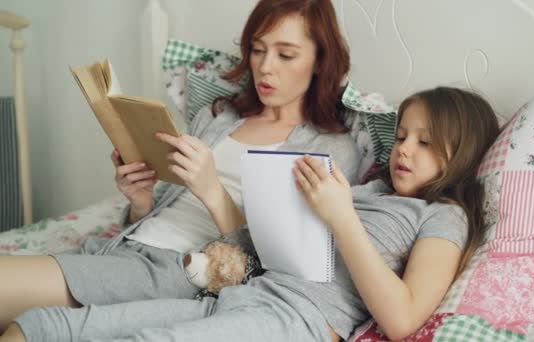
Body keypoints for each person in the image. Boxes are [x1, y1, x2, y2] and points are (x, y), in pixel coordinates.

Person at [3, 86, 500, 342]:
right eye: (404, 135)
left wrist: (341, 217)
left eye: (427, 142)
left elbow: (402, 317)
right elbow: (265, 253)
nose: (404, 150)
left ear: (461, 154)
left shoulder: (443, 214)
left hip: (294, 323)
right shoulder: (370, 189)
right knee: (48, 327)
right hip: (238, 295)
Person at [0, 0, 362, 337]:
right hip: (121, 250)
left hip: (177, 270)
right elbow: (160, 215)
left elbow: (279, 269)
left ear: (319, 60)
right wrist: (140, 202)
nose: (265, 67)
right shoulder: (219, 117)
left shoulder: (328, 149)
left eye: (286, 54)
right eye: (257, 49)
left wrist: (213, 192)